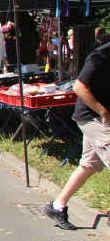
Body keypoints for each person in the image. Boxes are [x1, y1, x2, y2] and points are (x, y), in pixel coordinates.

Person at [43, 40, 110, 229]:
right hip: (93, 117)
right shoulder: (100, 56)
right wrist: (102, 111)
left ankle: (57, 206)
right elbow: (79, 87)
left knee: (89, 165)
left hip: (99, 117)